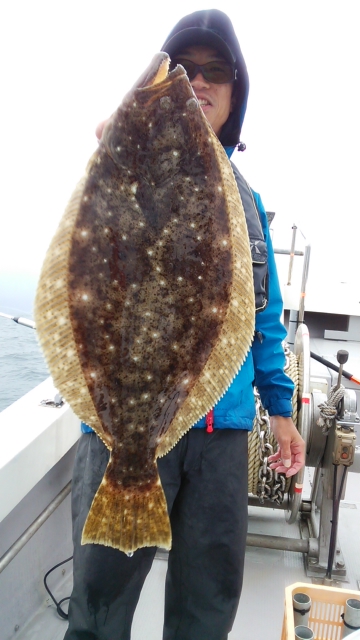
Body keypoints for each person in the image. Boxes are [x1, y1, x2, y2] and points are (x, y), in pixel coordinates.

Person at [64, 9, 305, 640]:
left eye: (215, 72)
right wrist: (125, 127)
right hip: (123, 425)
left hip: (221, 434)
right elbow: (88, 260)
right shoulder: (123, 162)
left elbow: (263, 312)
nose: (198, 82)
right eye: (182, 69)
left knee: (207, 606)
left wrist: (280, 408)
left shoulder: (245, 203)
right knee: (98, 602)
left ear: (236, 91)